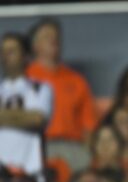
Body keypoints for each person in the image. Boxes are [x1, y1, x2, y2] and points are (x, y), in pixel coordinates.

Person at [26, 18, 97, 171]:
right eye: (47, 36)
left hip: (72, 147)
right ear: (35, 45)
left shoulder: (77, 80)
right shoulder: (24, 78)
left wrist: (85, 151)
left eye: (56, 37)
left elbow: (89, 125)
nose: (53, 40)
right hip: (36, 146)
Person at [0, 32, 52, 182]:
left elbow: (37, 119)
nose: (5, 56)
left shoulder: (40, 88)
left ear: (25, 56)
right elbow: (30, 117)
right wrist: (22, 116)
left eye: (12, 51)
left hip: (30, 170)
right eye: (3, 51)